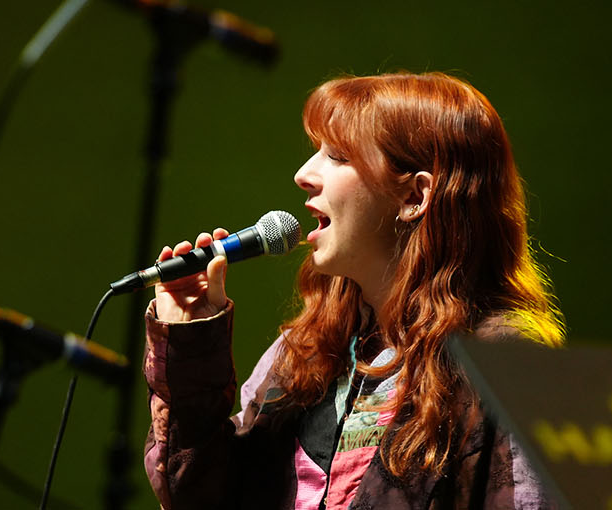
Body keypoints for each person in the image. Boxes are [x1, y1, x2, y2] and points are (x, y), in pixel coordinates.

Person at [142, 72, 565, 510]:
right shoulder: (305, 350)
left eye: (339, 156)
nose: (304, 175)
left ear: (415, 196)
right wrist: (190, 346)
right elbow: (198, 495)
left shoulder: (504, 361)